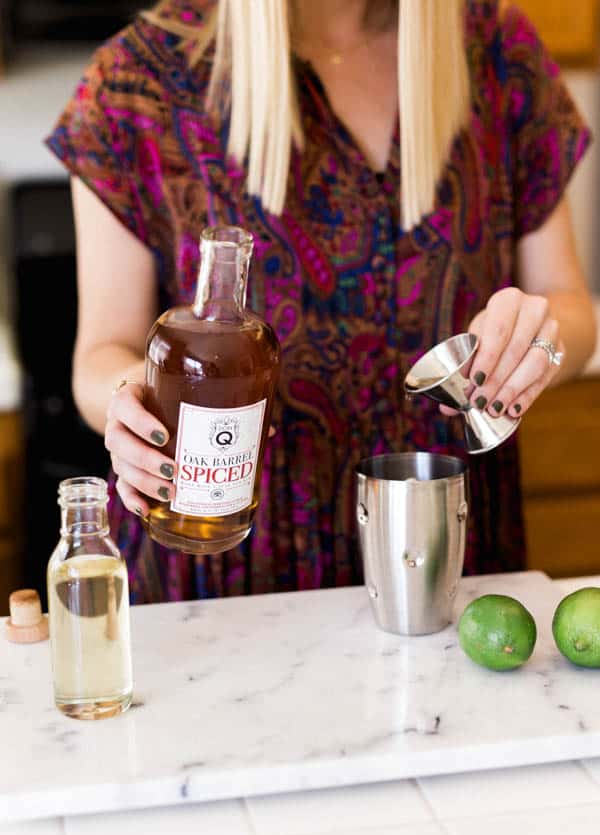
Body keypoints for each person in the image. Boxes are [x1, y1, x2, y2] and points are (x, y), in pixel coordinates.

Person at [46, 0, 595, 604]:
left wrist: (534, 342)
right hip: (228, 574)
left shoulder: (496, 51)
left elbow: (568, 305)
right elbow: (100, 355)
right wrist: (136, 409)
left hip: (441, 554)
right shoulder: (137, 83)